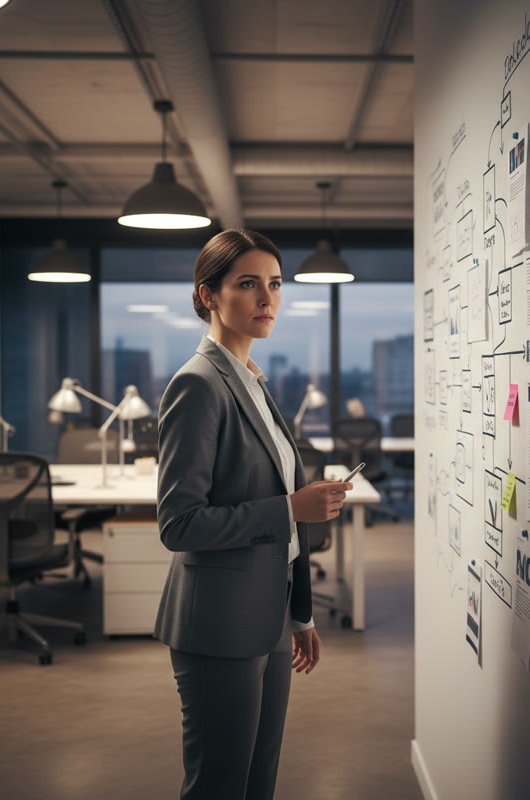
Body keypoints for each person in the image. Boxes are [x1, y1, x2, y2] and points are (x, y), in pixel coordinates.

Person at [154, 228, 353, 799]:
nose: (267, 298)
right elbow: (180, 524)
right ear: (208, 296)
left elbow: (279, 524)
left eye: (274, 283)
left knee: (257, 781)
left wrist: (301, 614)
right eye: (247, 284)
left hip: (265, 618)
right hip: (218, 624)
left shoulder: (253, 381)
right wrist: (292, 505)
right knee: (220, 785)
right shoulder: (198, 385)